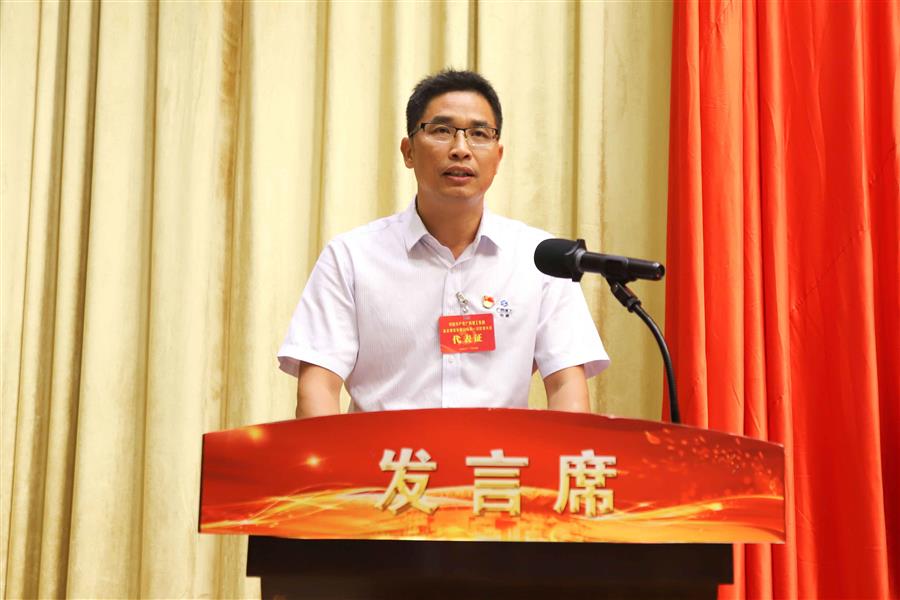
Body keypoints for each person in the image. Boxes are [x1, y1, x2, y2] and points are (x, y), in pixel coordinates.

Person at [278, 69, 609, 418]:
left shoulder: (541, 258)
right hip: (387, 454)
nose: (461, 149)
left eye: (479, 134)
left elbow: (567, 387)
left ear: (498, 157)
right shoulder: (351, 257)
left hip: (498, 455)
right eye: (441, 131)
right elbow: (318, 387)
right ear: (408, 152)